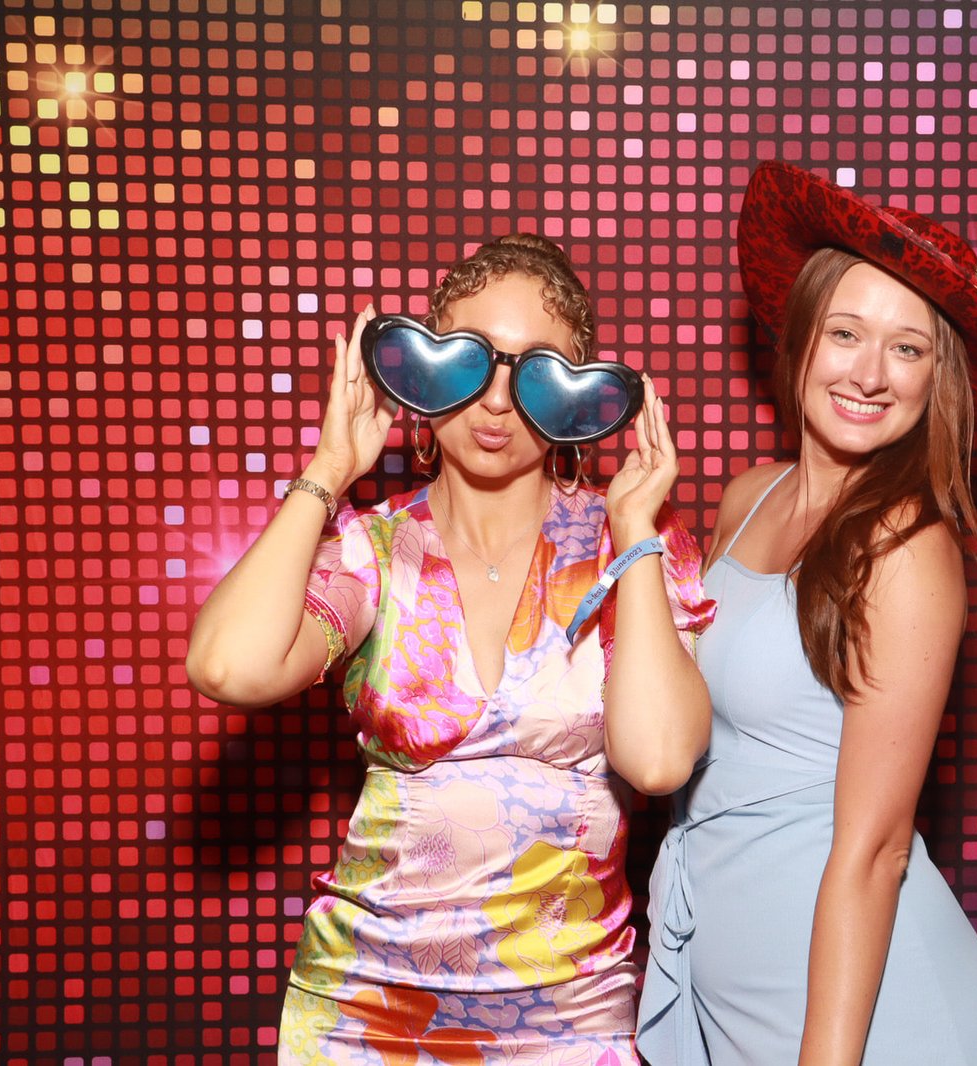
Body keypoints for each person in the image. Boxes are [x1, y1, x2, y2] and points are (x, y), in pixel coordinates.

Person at [186, 233, 713, 1065]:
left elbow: (657, 761)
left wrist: (633, 530)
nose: (496, 402)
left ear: (580, 397)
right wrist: (328, 470)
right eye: (470, 361)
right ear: (424, 375)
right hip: (369, 1013)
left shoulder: (633, 547)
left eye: (535, 372)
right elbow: (228, 667)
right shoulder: (375, 549)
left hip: (572, 1017)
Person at [637, 161, 977, 1065]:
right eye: (845, 333)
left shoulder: (906, 548)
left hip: (863, 1022)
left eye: (908, 349)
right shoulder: (747, 498)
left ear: (937, 378)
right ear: (801, 339)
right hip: (735, 981)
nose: (870, 373)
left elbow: (876, 852)